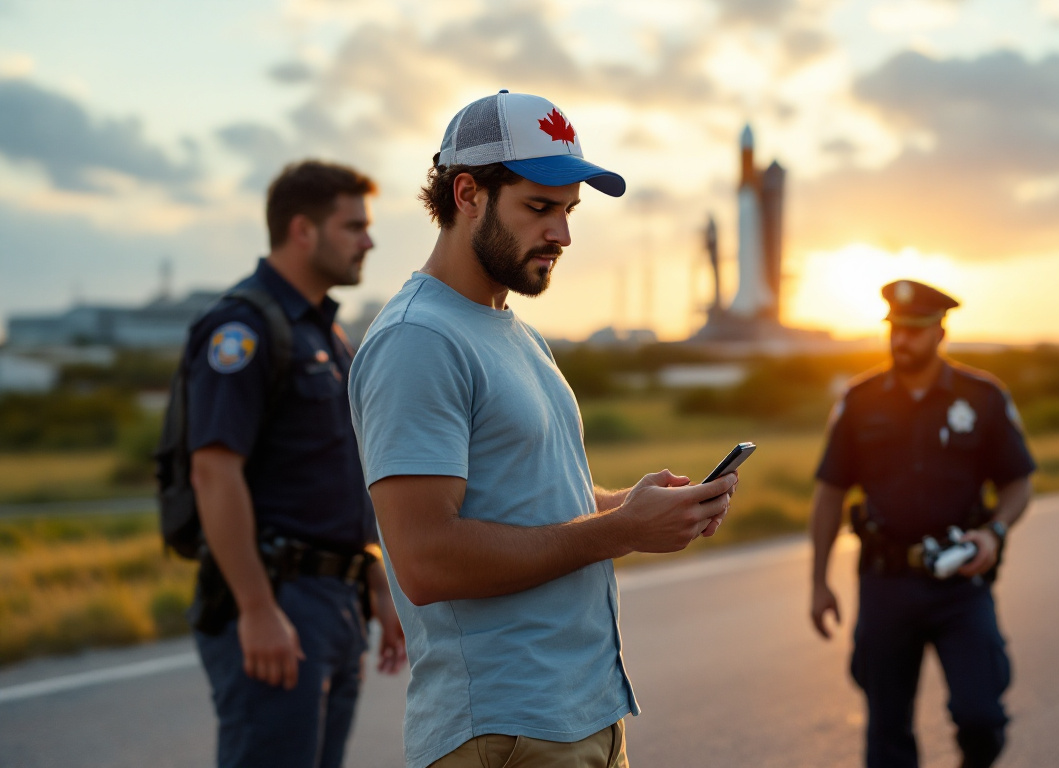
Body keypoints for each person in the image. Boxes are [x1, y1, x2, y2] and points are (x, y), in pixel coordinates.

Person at [347, 90, 738, 768]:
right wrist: (621, 532)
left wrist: (634, 506)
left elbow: (535, 502)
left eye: (568, 211)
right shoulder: (418, 340)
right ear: (467, 193)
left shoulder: (512, 332)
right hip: (504, 731)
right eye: (539, 207)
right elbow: (426, 559)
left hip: (579, 711)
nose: (561, 233)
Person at [186, 160, 406, 768]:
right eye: (354, 226)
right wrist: (257, 610)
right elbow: (213, 472)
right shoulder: (243, 330)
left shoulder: (328, 338)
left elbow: (335, 479)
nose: (369, 240)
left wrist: (375, 580)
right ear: (303, 230)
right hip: (277, 596)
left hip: (337, 600)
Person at [809, 279, 1036, 768]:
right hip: (886, 584)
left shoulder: (983, 398)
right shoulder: (859, 401)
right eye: (895, 329)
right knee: (887, 733)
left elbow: (1019, 483)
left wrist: (994, 532)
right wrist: (818, 583)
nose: (902, 340)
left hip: (962, 584)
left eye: (914, 330)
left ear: (940, 332)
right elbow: (829, 494)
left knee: (981, 718)